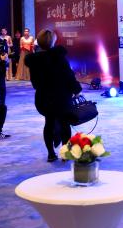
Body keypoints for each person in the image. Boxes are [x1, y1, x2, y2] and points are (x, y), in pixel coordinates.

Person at [25, 29, 81, 162]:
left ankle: (51, 153)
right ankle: (65, 153)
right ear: (53, 41)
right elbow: (68, 75)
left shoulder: (34, 60)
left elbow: (35, 82)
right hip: (61, 97)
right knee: (64, 124)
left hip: (44, 97)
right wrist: (76, 89)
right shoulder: (59, 57)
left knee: (49, 123)